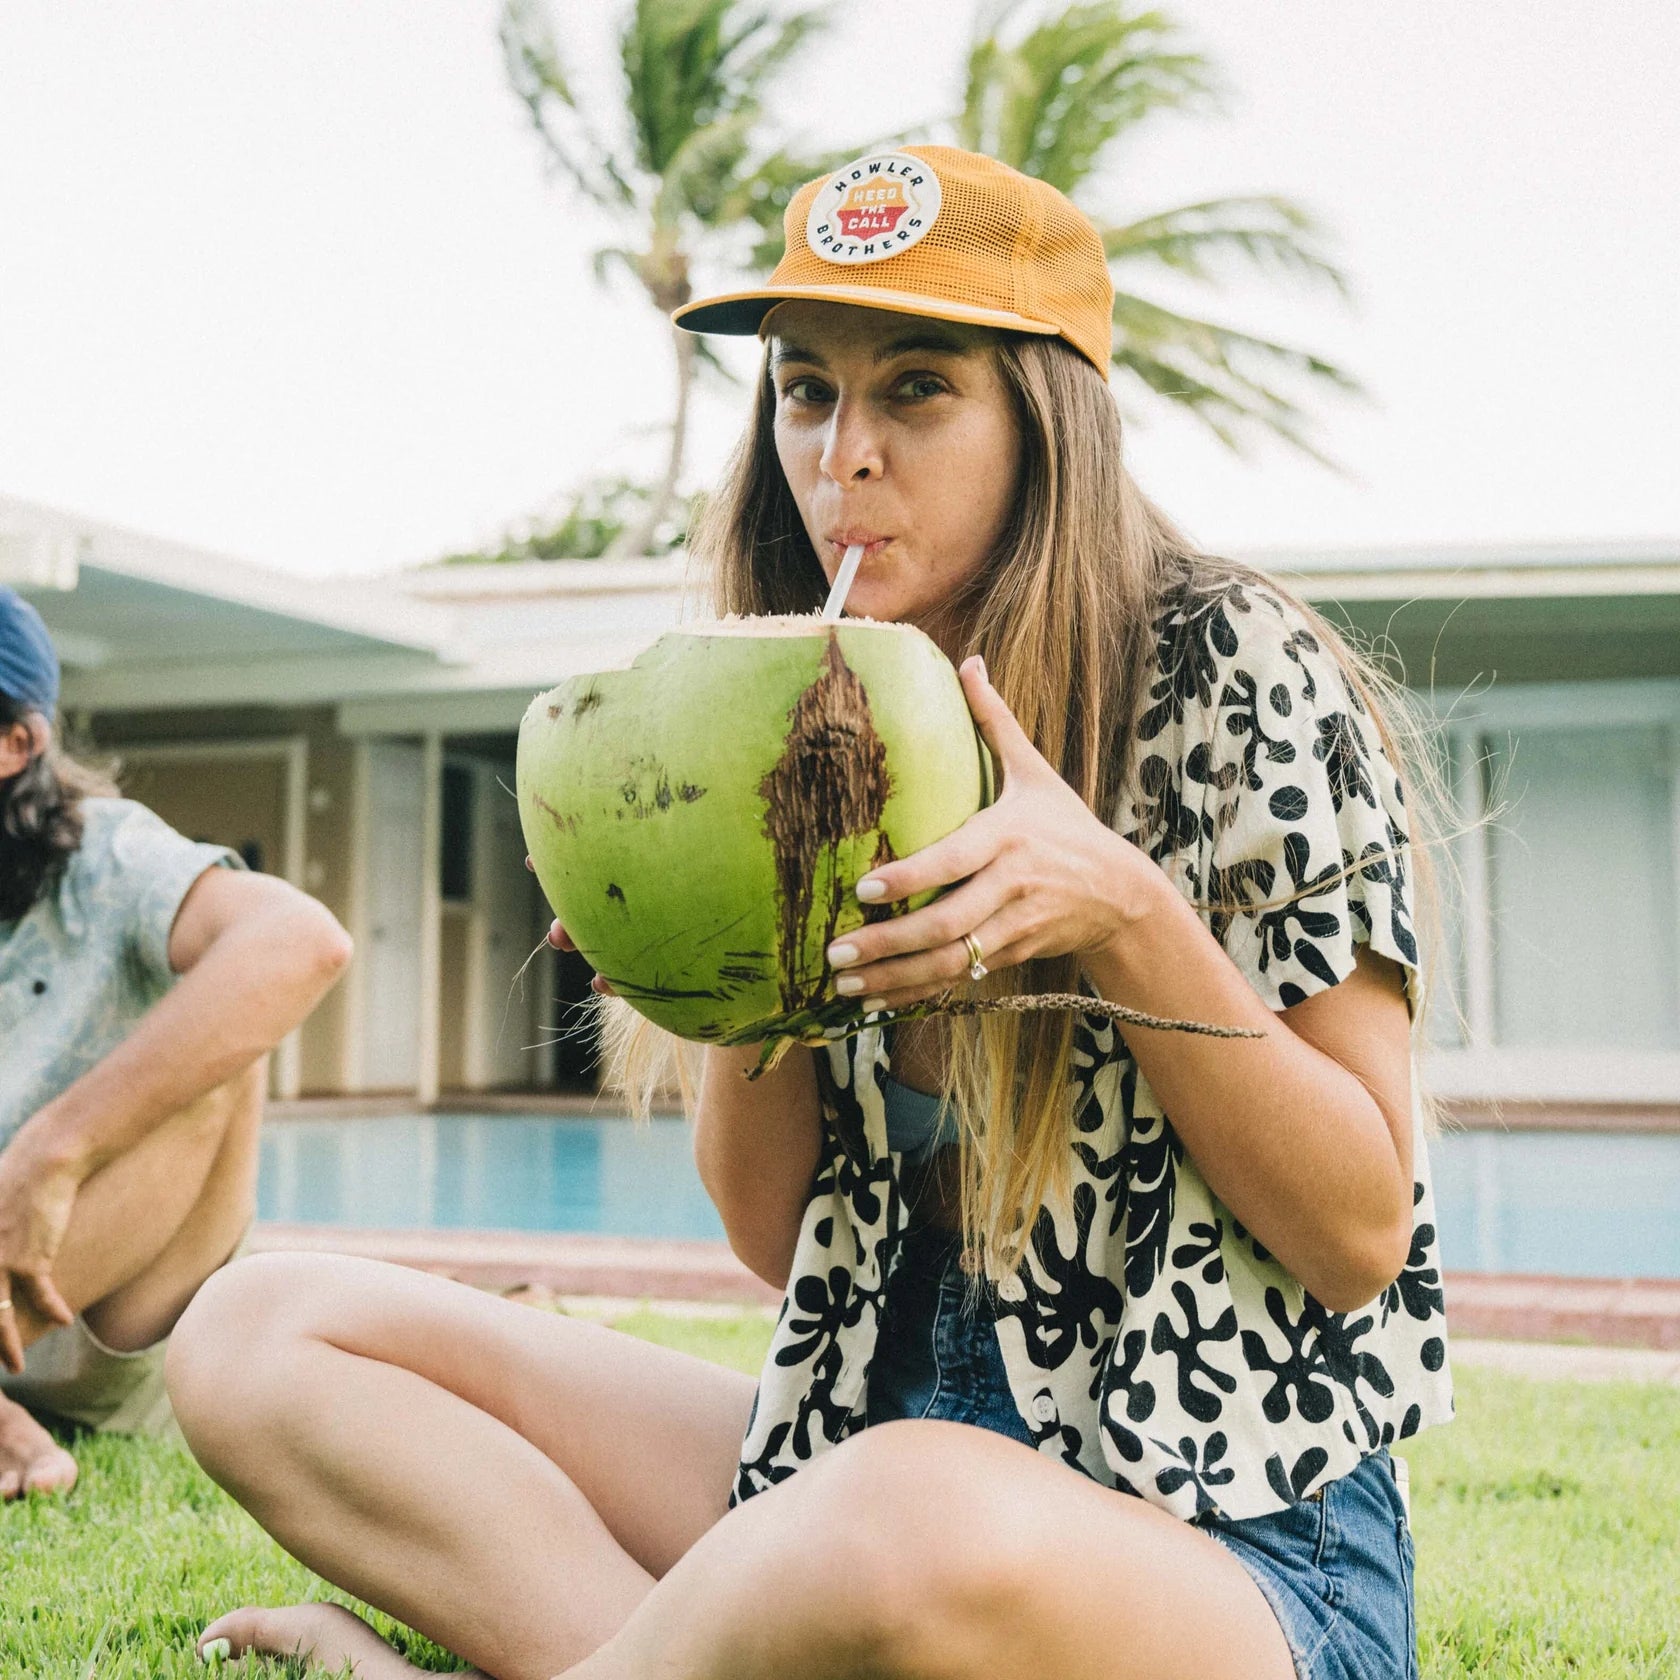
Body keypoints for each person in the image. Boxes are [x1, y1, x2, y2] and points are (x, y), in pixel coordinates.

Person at [166, 145, 1454, 1680]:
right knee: (258, 1331)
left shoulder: (1228, 667)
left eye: (918, 388)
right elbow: (778, 1243)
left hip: (1221, 1556)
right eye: (804, 390)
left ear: (1048, 421)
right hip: (860, 1456)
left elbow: (1362, 1231)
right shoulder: (787, 707)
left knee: (909, 1510)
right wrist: (722, 969)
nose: (844, 454)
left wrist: (1121, 911)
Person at [0, 585, 354, 1498]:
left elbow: (302, 943)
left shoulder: (103, 857)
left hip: (98, 1324)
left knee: (224, 1047)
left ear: (16, 745)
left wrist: (53, 1150)